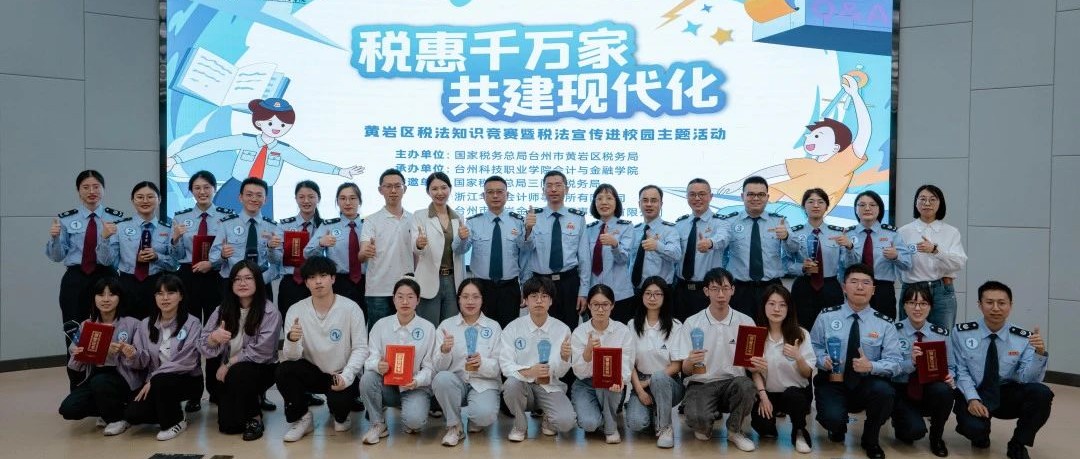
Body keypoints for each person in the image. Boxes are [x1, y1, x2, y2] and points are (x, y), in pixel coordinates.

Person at [166, 98, 363, 217]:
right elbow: (213, 145)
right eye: (270, 122)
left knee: (263, 235)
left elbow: (307, 163)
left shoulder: (284, 150)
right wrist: (176, 158)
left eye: (283, 125)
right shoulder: (245, 140)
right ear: (259, 122)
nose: (276, 128)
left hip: (264, 193)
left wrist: (340, 171)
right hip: (235, 188)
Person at [950, 281, 1052, 459]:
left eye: (1001, 303)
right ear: (979, 305)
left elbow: (1028, 379)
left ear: (1010, 305)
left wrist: (1039, 353)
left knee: (1042, 393)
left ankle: (1018, 443)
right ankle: (981, 433)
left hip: (1005, 393)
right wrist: (972, 399)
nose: (995, 308)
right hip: (974, 390)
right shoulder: (961, 333)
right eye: (989, 302)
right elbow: (961, 371)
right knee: (975, 431)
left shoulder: (1023, 338)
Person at [810, 263, 902, 459]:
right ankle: (837, 427)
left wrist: (871, 366)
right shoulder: (826, 316)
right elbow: (813, 348)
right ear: (844, 287)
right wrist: (822, 360)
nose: (860, 287)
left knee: (884, 392)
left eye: (865, 283)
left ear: (873, 289)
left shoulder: (885, 323)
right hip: (833, 381)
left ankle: (871, 438)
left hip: (866, 383)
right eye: (854, 282)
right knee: (832, 419)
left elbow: (895, 362)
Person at [276, 256, 368, 442]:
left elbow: (361, 348)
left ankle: (341, 415)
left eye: (323, 275)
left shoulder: (351, 308)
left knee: (339, 414)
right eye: (312, 277)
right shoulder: (295, 310)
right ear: (306, 283)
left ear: (333, 278)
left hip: (341, 373)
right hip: (313, 372)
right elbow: (292, 356)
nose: (318, 281)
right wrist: (292, 340)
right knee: (284, 370)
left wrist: (346, 376)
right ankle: (303, 418)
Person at [47, 170, 125, 387]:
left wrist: (105, 239)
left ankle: (107, 385)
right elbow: (57, 256)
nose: (92, 191)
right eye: (86, 187)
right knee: (74, 332)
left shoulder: (116, 219)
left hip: (106, 277)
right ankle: (78, 387)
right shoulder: (66, 219)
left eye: (96, 186)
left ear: (104, 189)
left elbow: (110, 259)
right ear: (78, 191)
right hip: (75, 279)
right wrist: (54, 238)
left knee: (109, 330)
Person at [671, 267, 759, 451]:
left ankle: (734, 431)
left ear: (733, 290)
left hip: (732, 382)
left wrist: (758, 365)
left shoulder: (746, 322)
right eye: (715, 289)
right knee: (699, 423)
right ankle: (704, 422)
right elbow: (685, 370)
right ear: (706, 291)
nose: (720, 294)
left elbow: (752, 366)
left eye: (725, 288)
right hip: (701, 383)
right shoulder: (692, 323)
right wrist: (690, 361)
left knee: (747, 386)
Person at [198, 261, 282, 441]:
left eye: (248, 278)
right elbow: (203, 345)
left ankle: (255, 417)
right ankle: (243, 399)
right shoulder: (222, 310)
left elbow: (263, 352)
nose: (242, 283)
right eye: (237, 279)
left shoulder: (269, 312)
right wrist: (213, 338)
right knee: (228, 426)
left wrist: (229, 364)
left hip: (261, 368)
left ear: (258, 282)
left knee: (239, 372)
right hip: (228, 372)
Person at [58, 277, 142, 436]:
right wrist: (79, 353)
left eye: (111, 294)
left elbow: (140, 360)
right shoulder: (86, 324)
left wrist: (129, 352)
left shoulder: (133, 324)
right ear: (94, 298)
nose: (106, 299)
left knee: (101, 382)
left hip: (122, 376)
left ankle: (117, 419)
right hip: (94, 375)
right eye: (101, 295)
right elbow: (74, 361)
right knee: (69, 409)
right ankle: (107, 410)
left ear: (120, 297)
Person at [124, 275, 203, 441]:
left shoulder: (192, 323)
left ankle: (176, 421)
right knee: (133, 415)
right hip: (156, 383)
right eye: (160, 294)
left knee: (161, 381)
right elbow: (142, 362)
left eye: (170, 293)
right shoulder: (145, 324)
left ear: (181, 296)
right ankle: (169, 407)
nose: (165, 298)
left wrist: (154, 378)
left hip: (187, 380)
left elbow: (187, 361)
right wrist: (133, 354)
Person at [359, 277, 437, 444]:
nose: (405, 302)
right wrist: (378, 365)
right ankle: (378, 423)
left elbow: (430, 366)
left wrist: (417, 381)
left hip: (415, 387)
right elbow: (369, 359)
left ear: (418, 300)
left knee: (414, 422)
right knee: (367, 378)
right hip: (388, 386)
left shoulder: (428, 328)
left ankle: (412, 412)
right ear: (393, 299)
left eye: (410, 297)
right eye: (400, 297)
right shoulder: (381, 325)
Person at [499, 276, 576, 441]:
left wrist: (564, 358)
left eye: (544, 296)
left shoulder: (562, 329)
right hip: (522, 386)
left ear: (551, 301)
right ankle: (520, 425)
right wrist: (529, 371)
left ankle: (548, 419)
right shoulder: (512, 328)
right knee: (511, 384)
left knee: (566, 422)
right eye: (534, 296)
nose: (539, 301)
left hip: (549, 386)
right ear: (525, 300)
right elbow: (505, 366)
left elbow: (561, 373)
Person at [431, 278, 503, 446]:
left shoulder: (494, 327)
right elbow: (437, 367)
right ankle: (455, 426)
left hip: (484, 382)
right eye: (465, 297)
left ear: (482, 299)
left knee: (483, 416)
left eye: (475, 297)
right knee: (441, 379)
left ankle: (476, 419)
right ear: (458, 299)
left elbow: (499, 367)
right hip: (456, 382)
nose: (470, 302)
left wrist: (482, 363)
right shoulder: (446, 326)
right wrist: (444, 351)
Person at [747, 284, 816, 454]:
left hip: (795, 393)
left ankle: (799, 432)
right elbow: (754, 371)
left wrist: (798, 356)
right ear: (764, 306)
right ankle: (769, 426)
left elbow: (807, 373)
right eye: (771, 304)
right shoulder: (755, 334)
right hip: (767, 392)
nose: (776, 309)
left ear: (789, 308)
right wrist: (763, 396)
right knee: (764, 428)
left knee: (794, 397)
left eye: (782, 305)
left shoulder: (801, 334)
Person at [461, 175, 533, 328]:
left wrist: (528, 230)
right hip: (481, 287)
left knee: (509, 331)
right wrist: (461, 238)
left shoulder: (518, 221)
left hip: (509, 287)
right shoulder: (473, 222)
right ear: (483, 196)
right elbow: (461, 249)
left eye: (500, 192)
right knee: (481, 330)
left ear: (507, 195)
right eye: (490, 192)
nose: (495, 196)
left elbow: (526, 252)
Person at [890, 284, 953, 457]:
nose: (917, 308)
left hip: (929, 389)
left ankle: (937, 437)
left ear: (930, 307)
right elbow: (887, 368)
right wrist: (910, 362)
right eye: (912, 303)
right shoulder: (893, 331)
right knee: (912, 433)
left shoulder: (941, 334)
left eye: (923, 303)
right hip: (902, 389)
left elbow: (952, 366)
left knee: (944, 390)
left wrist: (951, 376)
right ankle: (900, 420)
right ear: (904, 306)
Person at [715, 176, 790, 318]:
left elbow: (794, 250)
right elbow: (721, 253)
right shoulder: (730, 221)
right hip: (740, 289)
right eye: (750, 194)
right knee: (741, 329)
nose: (756, 198)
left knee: (771, 327)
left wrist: (786, 237)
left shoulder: (779, 221)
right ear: (742, 196)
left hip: (771, 288)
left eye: (761, 194)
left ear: (767, 197)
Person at [569, 284, 634, 444]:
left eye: (605, 304)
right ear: (589, 306)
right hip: (586, 384)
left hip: (611, 385)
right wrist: (588, 351)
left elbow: (627, 364)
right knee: (589, 424)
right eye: (595, 304)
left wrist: (620, 379)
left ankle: (611, 428)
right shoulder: (579, 332)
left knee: (608, 380)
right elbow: (578, 372)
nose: (600, 309)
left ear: (612, 305)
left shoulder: (623, 331)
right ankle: (603, 417)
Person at [625, 276, 684, 448]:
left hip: (669, 382)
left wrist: (648, 382)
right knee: (636, 423)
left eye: (658, 294)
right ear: (642, 296)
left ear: (665, 297)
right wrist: (639, 390)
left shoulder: (675, 325)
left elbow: (677, 365)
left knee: (659, 378)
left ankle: (666, 428)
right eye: (648, 293)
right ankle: (655, 412)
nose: (652, 298)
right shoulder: (631, 325)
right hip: (640, 381)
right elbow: (629, 363)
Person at [106, 181, 178, 320]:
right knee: (125, 327)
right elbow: (108, 260)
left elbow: (174, 265)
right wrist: (104, 239)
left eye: (150, 197)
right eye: (140, 197)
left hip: (157, 285)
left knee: (155, 326)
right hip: (126, 283)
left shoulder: (168, 229)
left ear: (159, 199)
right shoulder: (120, 227)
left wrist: (157, 257)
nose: (145, 201)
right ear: (133, 200)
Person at [898, 185, 967, 328]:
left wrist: (935, 251)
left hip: (941, 291)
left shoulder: (951, 232)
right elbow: (899, 265)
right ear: (916, 203)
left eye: (932, 199)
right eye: (922, 199)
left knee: (942, 336)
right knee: (908, 334)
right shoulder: (903, 231)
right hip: (912, 289)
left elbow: (959, 263)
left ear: (940, 203)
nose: (927, 203)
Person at [172, 170, 234, 325]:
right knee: (188, 321)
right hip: (189, 274)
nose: (202, 192)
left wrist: (212, 263)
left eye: (206, 187)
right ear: (191, 191)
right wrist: (176, 239)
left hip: (216, 275)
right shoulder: (180, 217)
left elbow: (231, 251)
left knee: (216, 320)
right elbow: (178, 256)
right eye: (197, 188)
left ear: (214, 189)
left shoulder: (228, 217)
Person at [526, 170, 587, 328]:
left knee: (569, 328)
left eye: (558, 185)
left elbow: (584, 258)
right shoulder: (533, 216)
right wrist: (528, 229)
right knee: (541, 329)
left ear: (566, 189)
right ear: (543, 190)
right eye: (549, 185)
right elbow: (526, 251)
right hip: (541, 283)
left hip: (569, 282)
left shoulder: (578, 218)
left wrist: (583, 291)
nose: (553, 189)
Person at [841, 190, 911, 320]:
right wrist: (850, 248)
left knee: (884, 327)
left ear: (880, 209)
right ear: (856, 210)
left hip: (883, 289)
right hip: (856, 288)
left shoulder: (892, 234)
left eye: (872, 205)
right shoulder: (847, 234)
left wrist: (896, 256)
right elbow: (845, 266)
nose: (867, 208)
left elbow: (907, 264)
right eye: (862, 205)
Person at [209, 177, 282, 300]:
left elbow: (277, 263)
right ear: (240, 197)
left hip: (262, 284)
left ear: (265, 200)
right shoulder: (226, 224)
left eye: (259, 195)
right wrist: (222, 256)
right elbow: (213, 259)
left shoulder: (273, 227)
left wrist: (261, 279)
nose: (254, 199)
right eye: (249, 194)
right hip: (232, 283)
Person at [785, 188, 848, 329]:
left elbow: (847, 263)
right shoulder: (793, 233)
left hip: (830, 287)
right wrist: (801, 268)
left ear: (826, 206)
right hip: (803, 287)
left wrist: (849, 247)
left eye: (820, 202)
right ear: (803, 206)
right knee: (801, 329)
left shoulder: (839, 233)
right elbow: (785, 263)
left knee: (833, 328)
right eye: (811, 202)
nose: (816, 205)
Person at [360, 169, 415, 328]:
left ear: (405, 189)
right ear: (380, 190)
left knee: (406, 334)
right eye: (388, 186)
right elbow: (362, 255)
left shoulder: (414, 219)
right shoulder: (371, 221)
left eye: (397, 186)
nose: (393, 190)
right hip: (378, 290)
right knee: (378, 335)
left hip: (407, 288)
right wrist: (365, 252)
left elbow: (418, 254)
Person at [413, 172, 468, 326]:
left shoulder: (458, 217)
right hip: (429, 279)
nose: (440, 192)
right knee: (428, 327)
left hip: (453, 280)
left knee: (450, 328)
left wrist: (463, 239)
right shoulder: (420, 216)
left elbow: (461, 251)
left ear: (450, 189)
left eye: (444, 188)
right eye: (434, 189)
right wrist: (419, 244)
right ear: (428, 192)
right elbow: (417, 249)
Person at [577, 184, 635, 323]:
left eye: (609, 198)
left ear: (616, 202)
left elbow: (623, 259)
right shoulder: (588, 229)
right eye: (599, 199)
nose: (604, 202)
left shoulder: (626, 227)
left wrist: (615, 245)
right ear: (594, 203)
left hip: (619, 295)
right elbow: (584, 263)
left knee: (620, 333)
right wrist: (583, 292)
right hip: (594, 294)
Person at [304, 182, 366, 308]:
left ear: (359, 201)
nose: (347, 203)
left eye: (352, 198)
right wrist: (321, 243)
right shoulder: (329, 226)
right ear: (337, 202)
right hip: (339, 282)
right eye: (342, 198)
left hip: (367, 281)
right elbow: (307, 253)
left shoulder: (369, 225)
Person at [673, 178, 727, 321]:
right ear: (687, 197)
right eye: (692, 194)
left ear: (711, 196)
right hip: (681, 290)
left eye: (702, 194)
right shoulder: (679, 224)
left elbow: (724, 238)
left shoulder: (720, 221)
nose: (697, 198)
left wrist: (710, 243)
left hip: (707, 291)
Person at [276, 180, 324, 317]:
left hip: (317, 282)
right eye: (301, 197)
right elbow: (275, 258)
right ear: (296, 199)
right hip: (290, 283)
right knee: (290, 323)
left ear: (318, 198)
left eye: (311, 196)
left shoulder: (325, 226)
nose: (306, 201)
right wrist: (271, 247)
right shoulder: (283, 226)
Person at [629, 185, 681, 292]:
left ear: (661, 204)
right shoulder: (635, 230)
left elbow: (677, 255)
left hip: (660, 291)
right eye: (645, 200)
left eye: (653, 201)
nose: (649, 204)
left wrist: (657, 246)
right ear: (639, 204)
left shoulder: (670, 230)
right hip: (634, 290)